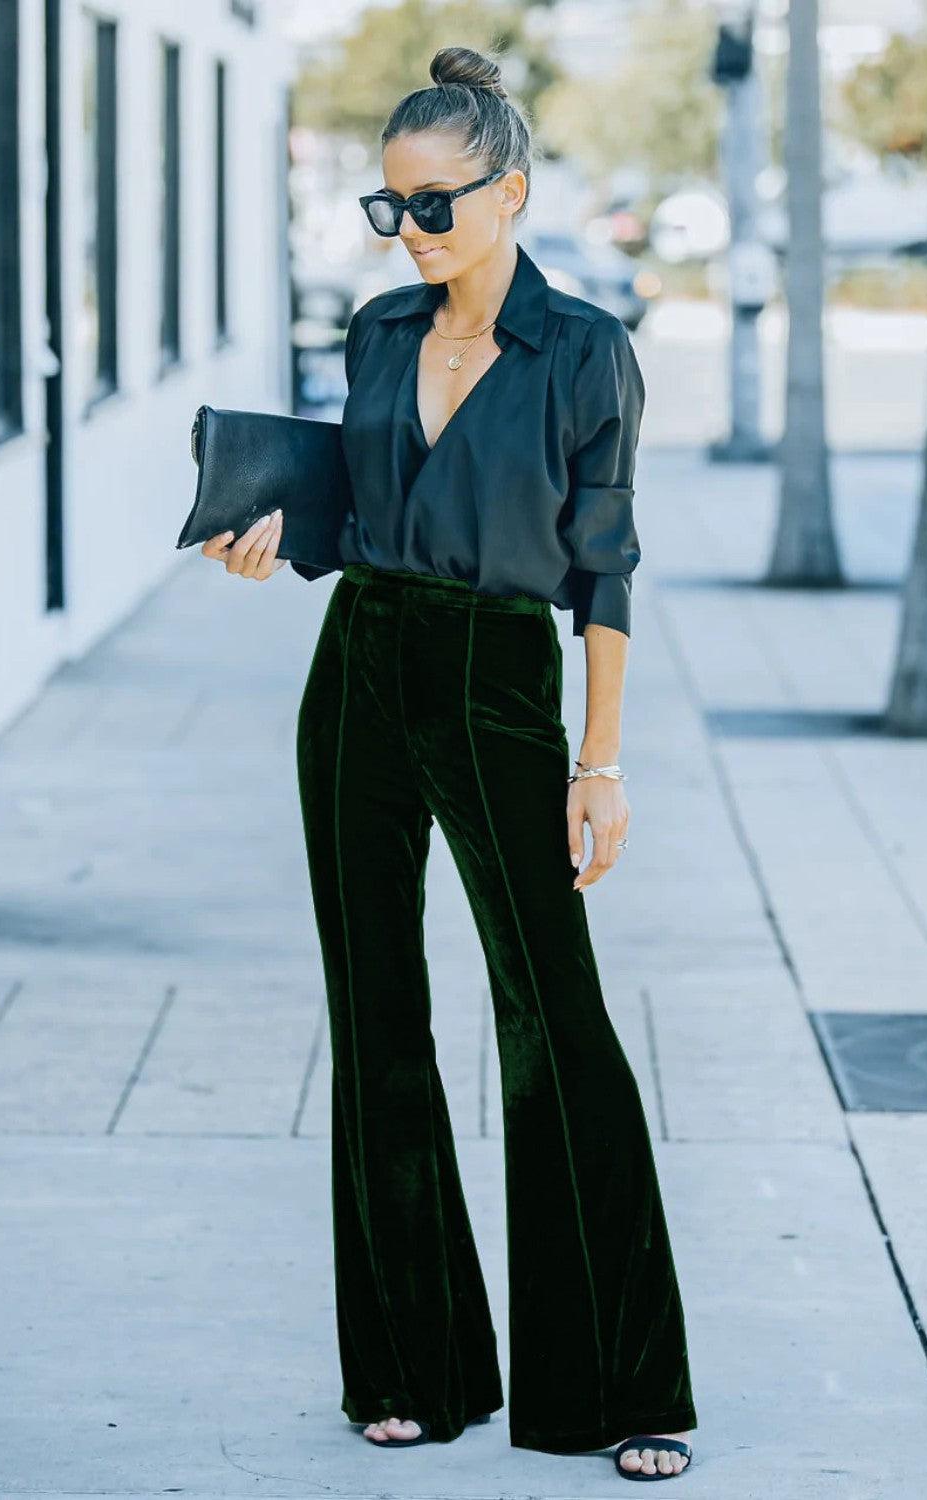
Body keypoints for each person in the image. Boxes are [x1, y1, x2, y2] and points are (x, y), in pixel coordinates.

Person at [201, 43, 698, 1485]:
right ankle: (412, 1365)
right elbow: (352, 517)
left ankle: (618, 1383)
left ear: (510, 191)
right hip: (357, 664)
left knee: (555, 1019)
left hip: (495, 678)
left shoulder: (584, 350)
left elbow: (603, 570)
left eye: (434, 206)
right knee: (377, 1014)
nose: (409, 233)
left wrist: (597, 765)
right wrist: (268, 544)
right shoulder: (372, 336)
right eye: (388, 209)